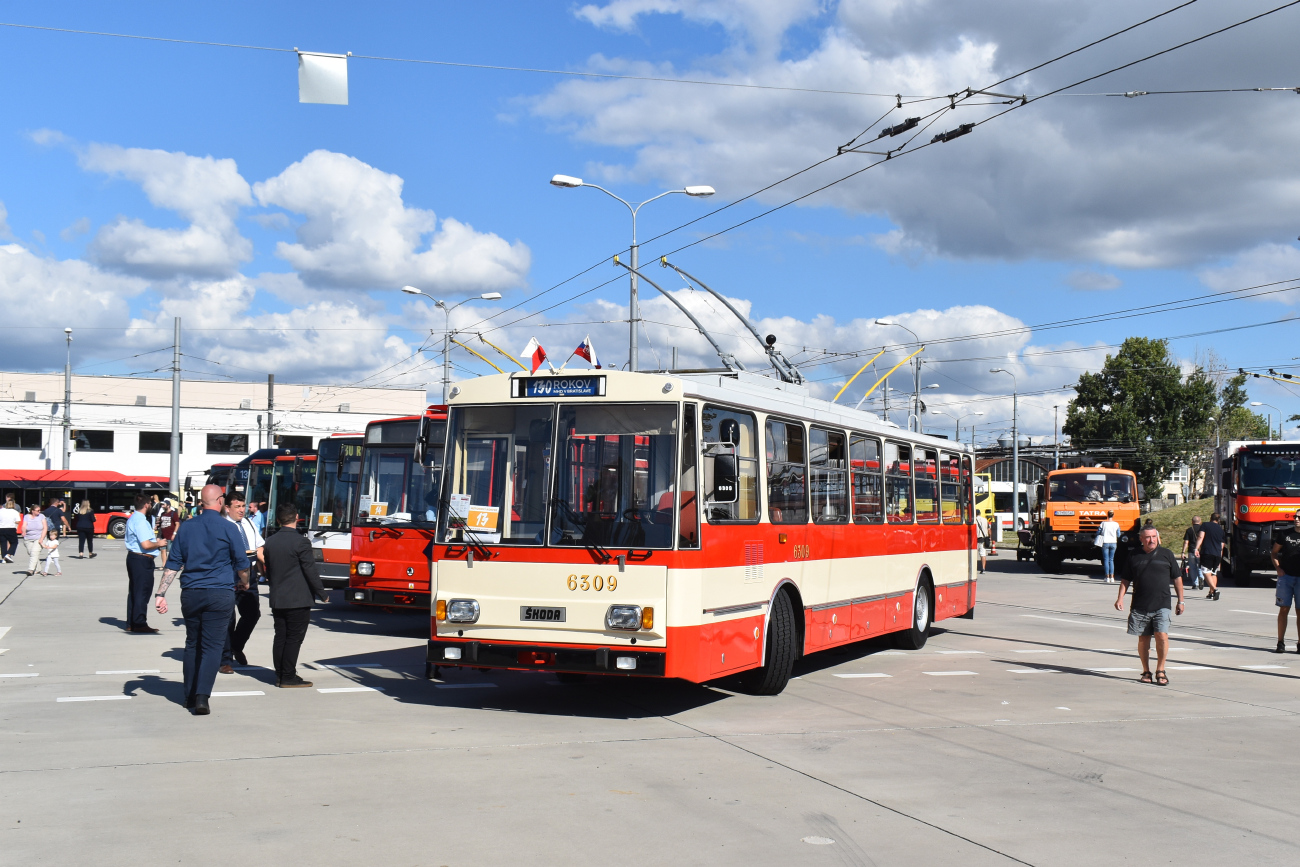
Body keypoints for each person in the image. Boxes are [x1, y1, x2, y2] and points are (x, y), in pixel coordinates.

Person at [154, 484, 250, 715]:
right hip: (219, 592)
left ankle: (188, 693)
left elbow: (172, 564)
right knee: (213, 647)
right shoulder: (229, 528)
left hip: (192, 592)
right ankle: (202, 696)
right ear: (219, 501)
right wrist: (244, 582)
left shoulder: (186, 528)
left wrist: (160, 594)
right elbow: (242, 563)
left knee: (192, 643)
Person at [264, 502, 326, 687]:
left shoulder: (270, 541)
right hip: (298, 599)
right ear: (297, 518)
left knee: (280, 636)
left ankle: (280, 674)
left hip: (278, 597)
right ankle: (288, 676)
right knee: (294, 638)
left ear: (278, 520)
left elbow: (269, 570)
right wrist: (322, 592)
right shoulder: (301, 542)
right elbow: (310, 570)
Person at [1116, 526, 1185, 686]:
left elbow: (1177, 579)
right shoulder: (1134, 555)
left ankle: (1160, 670)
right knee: (1143, 639)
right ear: (1141, 539)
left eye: (1154, 536)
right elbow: (1126, 579)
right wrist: (1120, 598)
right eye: (1147, 537)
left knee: (1162, 635)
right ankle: (1146, 670)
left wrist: (1180, 601)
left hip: (1162, 603)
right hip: (1140, 604)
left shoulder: (1166, 554)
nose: (1151, 540)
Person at [220, 493, 264, 672]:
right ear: (227, 508)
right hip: (229, 574)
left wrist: (267, 568)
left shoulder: (249, 523)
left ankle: (236, 645)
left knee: (252, 614)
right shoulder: (222, 525)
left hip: (249, 572)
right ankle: (225, 659)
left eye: (243, 506)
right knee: (228, 619)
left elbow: (259, 547)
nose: (241, 510)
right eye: (237, 506)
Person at [124, 493, 167, 633]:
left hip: (134, 558)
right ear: (147, 505)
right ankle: (139, 622)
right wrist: (159, 543)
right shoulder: (141, 521)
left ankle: (132, 621)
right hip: (142, 559)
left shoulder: (134, 518)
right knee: (142, 592)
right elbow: (146, 544)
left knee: (135, 592)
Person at [1270, 509, 1300, 654]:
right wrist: (1278, 568)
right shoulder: (1285, 534)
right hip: (1286, 577)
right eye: (1296, 517)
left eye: (1299, 517)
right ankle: (1280, 642)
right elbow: (1274, 552)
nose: (1296, 519)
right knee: (1284, 609)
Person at [1194, 512, 1225, 600]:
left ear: (1210, 518)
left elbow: (1200, 537)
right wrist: (1220, 557)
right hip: (1217, 554)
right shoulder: (1221, 530)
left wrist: (1196, 548)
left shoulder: (1205, 525)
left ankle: (1215, 589)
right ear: (1218, 520)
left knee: (1205, 571)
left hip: (1208, 552)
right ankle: (1211, 592)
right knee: (1213, 573)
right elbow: (1222, 545)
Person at [20, 503, 48, 576]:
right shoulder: (26, 517)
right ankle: (38, 569)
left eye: (40, 510)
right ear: (32, 511)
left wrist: (42, 538)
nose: (39, 512)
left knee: (34, 553)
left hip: (39, 537)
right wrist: (23, 531)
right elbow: (24, 526)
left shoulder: (41, 516)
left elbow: (45, 528)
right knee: (31, 554)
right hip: (28, 538)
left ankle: (30, 569)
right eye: (37, 510)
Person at [1180, 515, 1203, 591]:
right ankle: (1201, 578)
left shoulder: (1189, 530)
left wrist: (1183, 552)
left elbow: (1186, 542)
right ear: (1200, 521)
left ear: (1192, 522)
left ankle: (1195, 584)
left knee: (1192, 568)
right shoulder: (1203, 529)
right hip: (1200, 551)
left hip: (1191, 551)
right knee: (1200, 566)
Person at [1098, 510, 1120, 583]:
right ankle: (1112, 577)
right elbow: (1119, 534)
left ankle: (1107, 577)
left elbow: (1098, 532)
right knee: (1111, 560)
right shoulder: (1116, 524)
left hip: (1105, 542)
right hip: (1113, 542)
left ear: (1107, 515)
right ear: (1113, 515)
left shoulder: (1103, 523)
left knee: (1106, 560)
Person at [0, 495, 20, 563]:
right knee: (14, 542)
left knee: (3, 543)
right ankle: (8, 554)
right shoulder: (15, 512)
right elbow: (18, 521)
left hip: (1, 528)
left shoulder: (1, 511)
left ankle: (3, 558)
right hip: (11, 528)